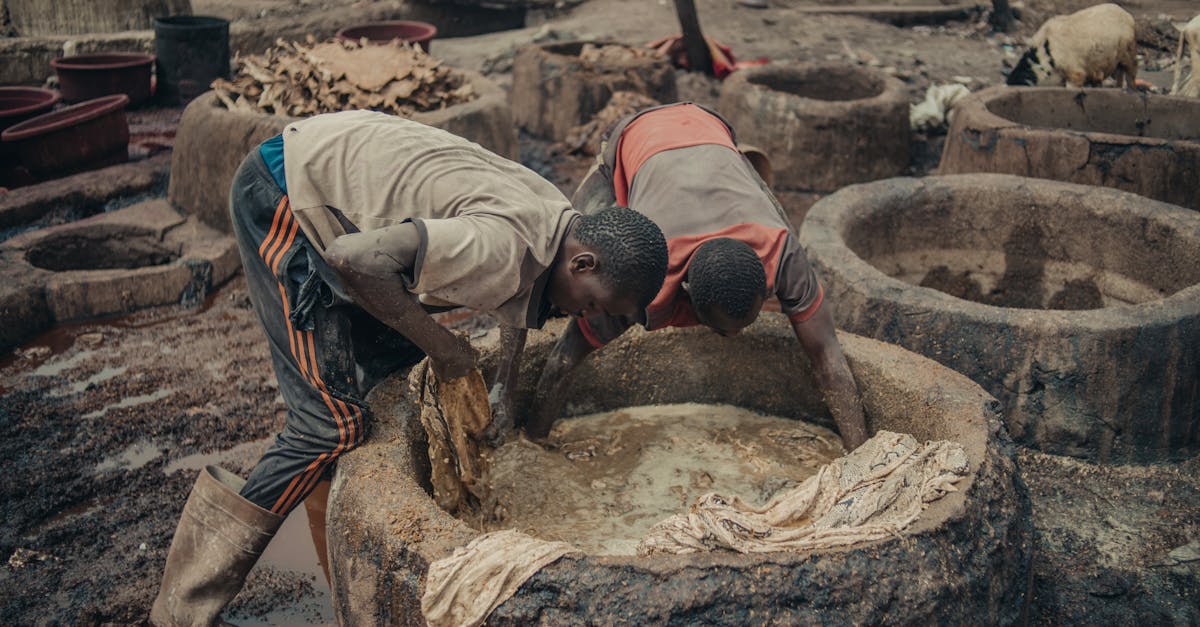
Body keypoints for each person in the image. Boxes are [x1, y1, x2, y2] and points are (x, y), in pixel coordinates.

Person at [150, 110, 668, 626]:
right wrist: (444, 348)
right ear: (582, 265)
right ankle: (180, 608)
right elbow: (354, 259)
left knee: (399, 391)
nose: (589, 318)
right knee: (329, 425)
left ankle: (329, 522)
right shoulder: (500, 247)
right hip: (286, 194)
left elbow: (498, 284)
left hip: (344, 183)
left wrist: (483, 376)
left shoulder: (559, 219)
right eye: (597, 305)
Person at [512, 102, 868, 451]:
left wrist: (861, 456)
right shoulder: (642, 282)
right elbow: (566, 357)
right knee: (573, 255)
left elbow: (828, 359)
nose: (731, 338)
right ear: (685, 292)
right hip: (636, 136)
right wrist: (533, 440)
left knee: (771, 211)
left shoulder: (783, 253)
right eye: (719, 328)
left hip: (709, 128)